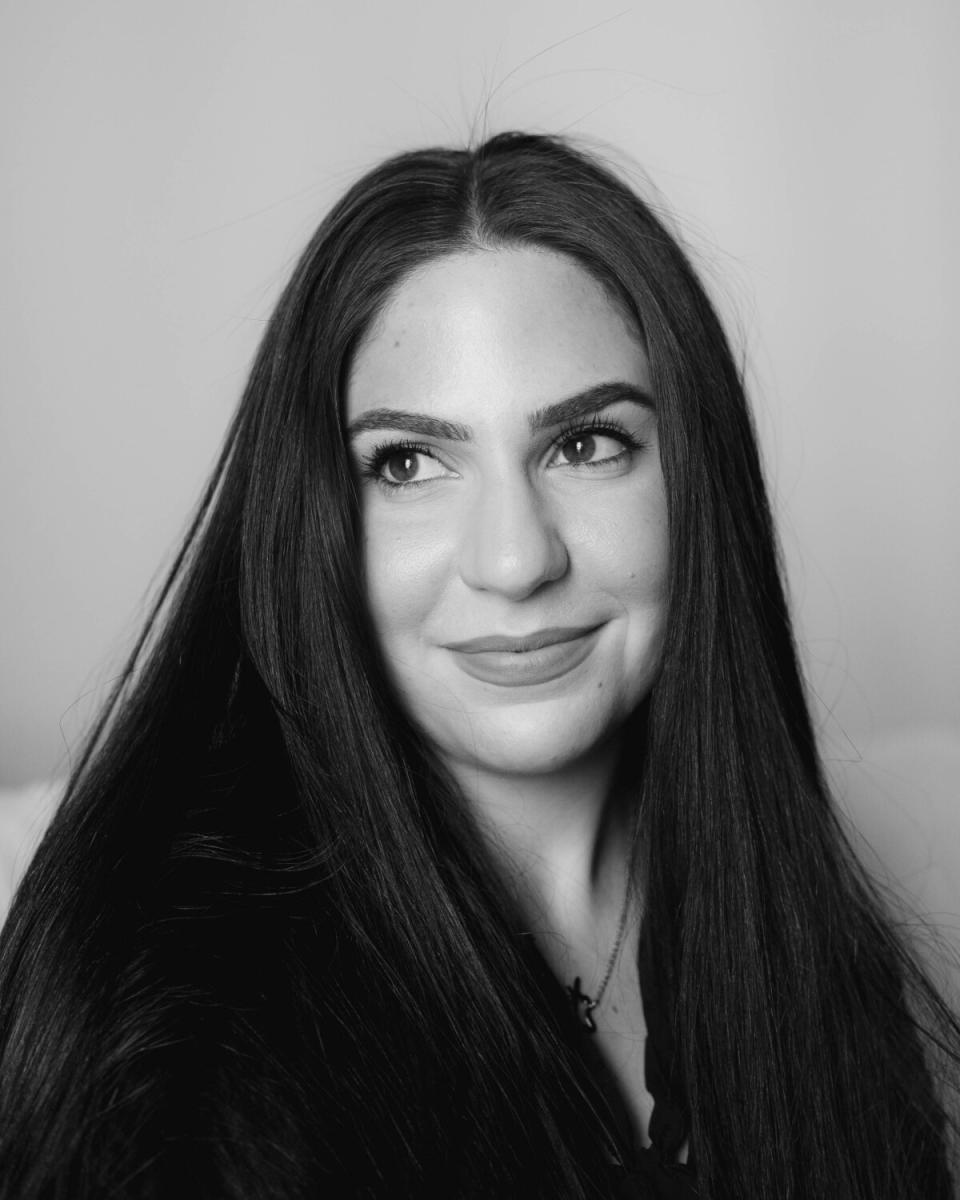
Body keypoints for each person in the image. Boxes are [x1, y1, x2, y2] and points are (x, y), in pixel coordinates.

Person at [0, 131, 956, 1199]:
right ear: (309, 526)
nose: (515, 560)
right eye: (407, 463)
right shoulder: (170, 1006)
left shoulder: (797, 928)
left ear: (698, 482)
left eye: (586, 444)